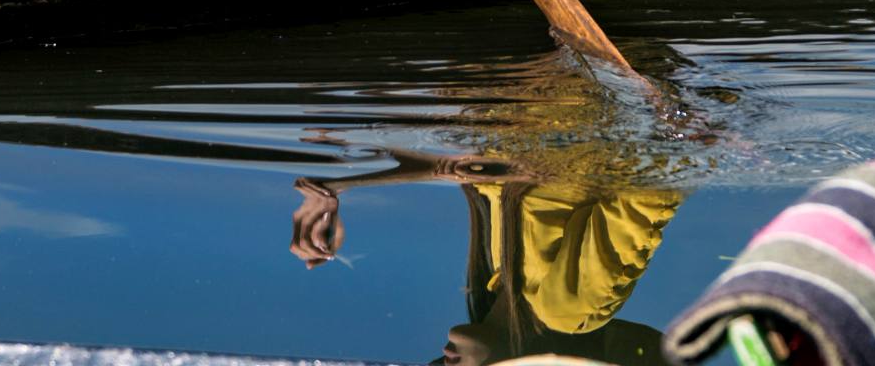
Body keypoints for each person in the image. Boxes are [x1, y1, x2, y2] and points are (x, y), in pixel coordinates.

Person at [289, 150, 682, 366]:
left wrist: (333, 187)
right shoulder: (568, 309)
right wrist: (546, 158)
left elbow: (462, 165)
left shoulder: (499, 275)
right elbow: (657, 178)